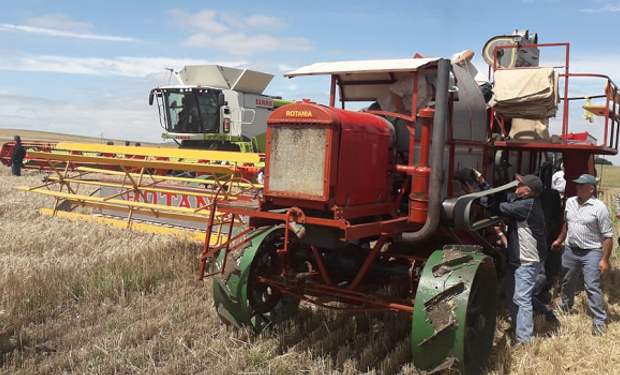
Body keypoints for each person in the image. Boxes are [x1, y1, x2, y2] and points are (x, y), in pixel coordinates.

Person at [464, 170, 547, 343]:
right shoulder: (523, 200)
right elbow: (500, 198)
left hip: (527, 261)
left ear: (528, 190)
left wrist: (473, 195)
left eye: (520, 184)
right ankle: (524, 328)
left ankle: (526, 340)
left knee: (521, 298)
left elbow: (496, 207)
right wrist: (482, 182)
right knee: (512, 294)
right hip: (517, 259)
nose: (517, 186)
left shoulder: (527, 205)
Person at [551, 173, 613, 336]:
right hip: (571, 249)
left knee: (592, 285)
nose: (577, 187)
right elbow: (567, 224)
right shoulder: (570, 202)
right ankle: (565, 306)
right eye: (577, 184)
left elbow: (607, 236)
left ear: (591, 189)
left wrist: (604, 260)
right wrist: (559, 239)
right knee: (567, 281)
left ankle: (599, 320)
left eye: (581, 185)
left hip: (592, 251)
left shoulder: (599, 208)